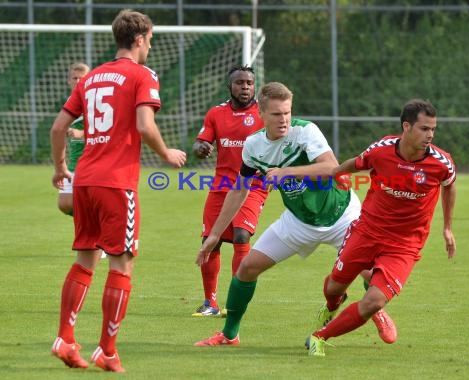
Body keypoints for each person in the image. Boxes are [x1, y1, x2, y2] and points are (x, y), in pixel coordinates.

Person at [50, 9, 186, 372]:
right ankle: (107, 350)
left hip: (85, 180)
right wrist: (166, 151)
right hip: (116, 183)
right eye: (151, 39)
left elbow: (58, 127)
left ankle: (65, 337)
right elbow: (144, 124)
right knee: (122, 264)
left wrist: (61, 167)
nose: (151, 46)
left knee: (85, 259)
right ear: (140, 38)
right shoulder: (142, 75)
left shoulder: (91, 77)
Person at [193, 81, 378, 347]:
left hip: (341, 216)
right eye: (277, 114)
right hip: (298, 221)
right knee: (247, 268)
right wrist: (213, 235)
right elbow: (239, 189)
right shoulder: (254, 145)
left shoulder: (305, 131)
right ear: (262, 114)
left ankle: (377, 311)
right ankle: (229, 335)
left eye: (287, 113)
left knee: (372, 276)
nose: (284, 120)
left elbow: (331, 168)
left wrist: (285, 172)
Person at [307, 99, 457, 356]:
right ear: (406, 127)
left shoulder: (441, 163)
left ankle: (318, 338)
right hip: (367, 231)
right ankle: (332, 305)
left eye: (433, 129)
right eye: (424, 129)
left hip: (405, 244)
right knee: (333, 288)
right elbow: (356, 163)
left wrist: (447, 228)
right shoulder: (382, 150)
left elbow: (450, 185)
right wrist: (335, 175)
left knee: (373, 302)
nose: (430, 135)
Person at [192, 65, 268, 317]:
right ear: (230, 86)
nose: (245, 87)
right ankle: (210, 303)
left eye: (249, 83)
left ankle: (235, 302)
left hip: (253, 185)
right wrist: (200, 147)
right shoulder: (216, 113)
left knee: (241, 236)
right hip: (222, 185)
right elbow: (201, 141)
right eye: (240, 83)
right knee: (209, 242)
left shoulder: (264, 114)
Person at [57, 62, 90, 216]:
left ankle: (92, 230)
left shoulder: (93, 101)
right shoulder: (70, 101)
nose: (77, 82)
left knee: (89, 203)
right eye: (74, 78)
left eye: (81, 78)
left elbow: (107, 130)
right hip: (74, 162)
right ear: (68, 81)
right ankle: (90, 225)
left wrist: (81, 134)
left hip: (92, 162)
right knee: (65, 204)